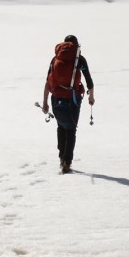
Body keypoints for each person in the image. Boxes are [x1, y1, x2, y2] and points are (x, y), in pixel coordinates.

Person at [41, 35, 94, 173]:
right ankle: (67, 162)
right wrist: (91, 98)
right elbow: (89, 81)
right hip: (73, 99)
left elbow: (48, 81)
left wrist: (45, 102)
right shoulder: (79, 60)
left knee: (61, 126)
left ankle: (61, 157)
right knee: (71, 129)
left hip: (56, 97)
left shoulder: (55, 58)